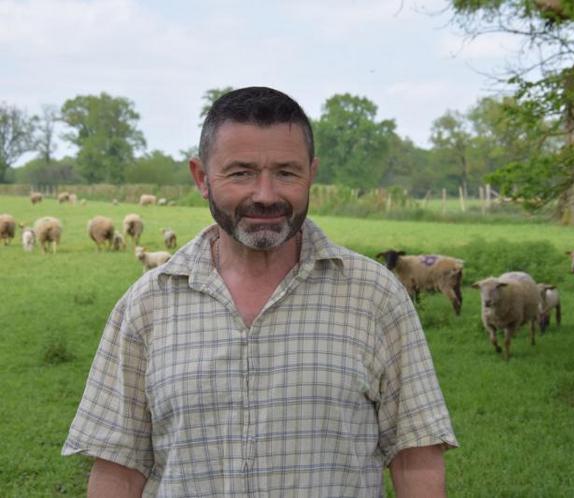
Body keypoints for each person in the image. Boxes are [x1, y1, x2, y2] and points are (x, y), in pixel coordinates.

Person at [62, 86, 458, 497]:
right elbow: (117, 470)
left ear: (312, 174)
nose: (266, 195)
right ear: (202, 178)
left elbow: (416, 458)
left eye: (286, 172)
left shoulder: (376, 296)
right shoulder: (146, 305)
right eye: (241, 173)